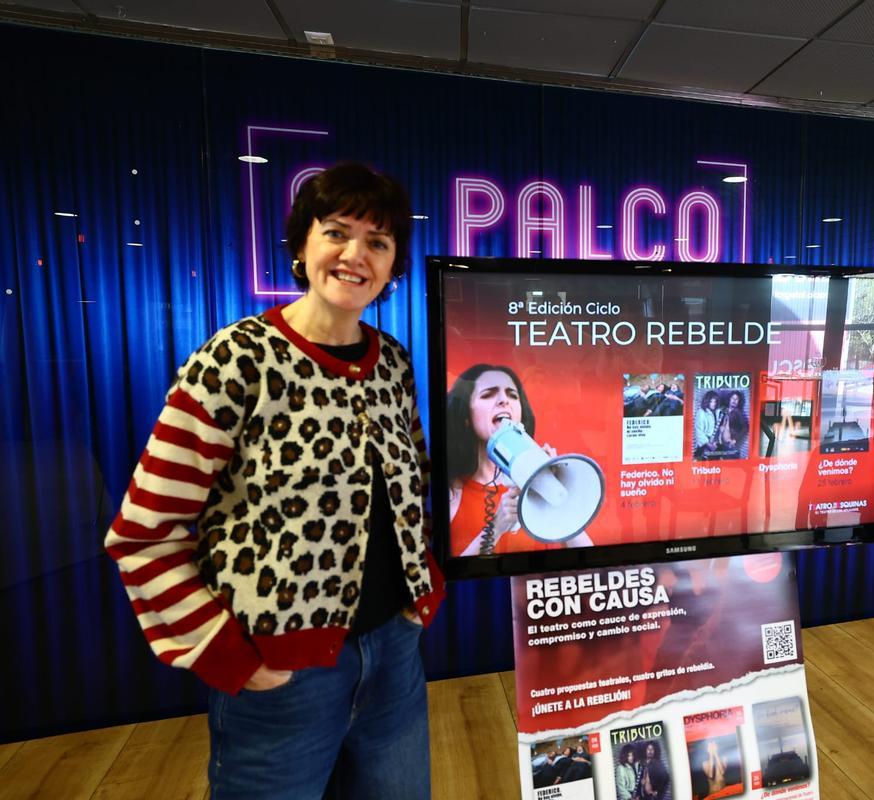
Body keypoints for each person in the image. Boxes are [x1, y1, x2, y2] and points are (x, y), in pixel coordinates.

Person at [104, 162, 444, 799]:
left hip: (394, 661)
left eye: (378, 242)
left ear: (394, 262)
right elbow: (143, 536)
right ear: (300, 246)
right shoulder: (237, 359)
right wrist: (229, 657)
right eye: (337, 232)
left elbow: (407, 494)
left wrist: (418, 597)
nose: (355, 255)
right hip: (281, 673)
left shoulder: (390, 361)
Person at [446, 363, 593, 555]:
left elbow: (589, 559)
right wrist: (497, 527)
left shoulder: (539, 484)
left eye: (512, 395)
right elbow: (449, 579)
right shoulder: (452, 493)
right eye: (488, 394)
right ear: (465, 415)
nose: (503, 401)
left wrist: (552, 487)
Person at [717, 391, 749, 457]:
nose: (734, 401)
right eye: (732, 398)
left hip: (730, 446)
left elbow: (745, 428)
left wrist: (735, 439)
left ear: (738, 401)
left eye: (736, 399)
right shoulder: (724, 410)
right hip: (721, 444)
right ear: (729, 399)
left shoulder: (739, 413)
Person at [694, 390, 720, 458]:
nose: (713, 404)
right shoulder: (701, 412)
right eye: (711, 401)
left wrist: (715, 442)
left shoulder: (717, 412)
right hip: (704, 445)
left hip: (714, 444)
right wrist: (708, 444)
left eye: (715, 401)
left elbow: (717, 429)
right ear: (707, 401)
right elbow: (698, 430)